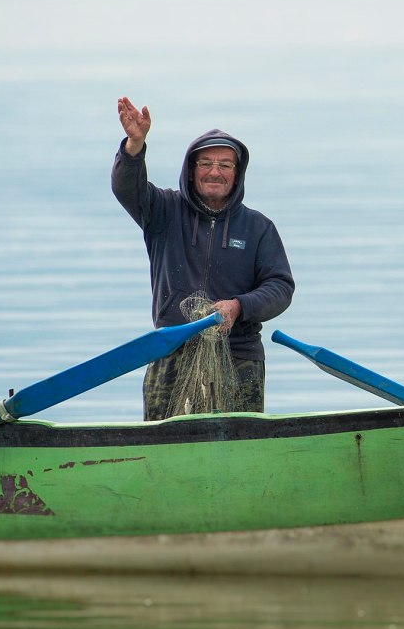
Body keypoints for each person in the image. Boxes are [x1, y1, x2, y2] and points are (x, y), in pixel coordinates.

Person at [112, 96, 295, 421]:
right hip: (171, 353)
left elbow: (280, 288)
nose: (215, 172)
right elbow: (127, 188)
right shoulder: (162, 211)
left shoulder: (258, 228)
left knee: (241, 446)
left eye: (225, 165)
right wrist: (134, 147)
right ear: (191, 169)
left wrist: (238, 306)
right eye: (206, 163)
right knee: (162, 446)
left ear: (237, 174)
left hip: (240, 357)